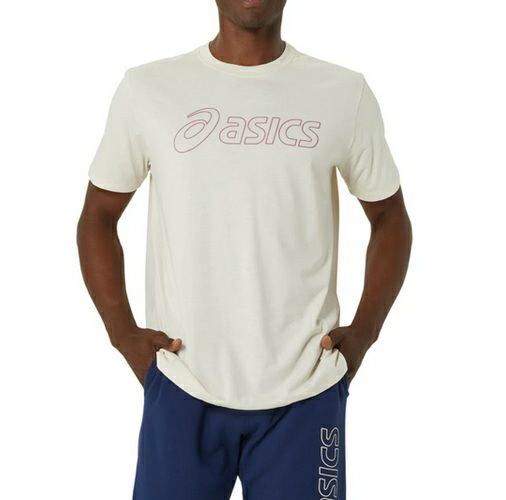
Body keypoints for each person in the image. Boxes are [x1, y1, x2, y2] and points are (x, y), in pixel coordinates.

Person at [77, 1, 412, 498]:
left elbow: (389, 218)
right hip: (184, 384)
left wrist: (364, 333)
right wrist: (122, 334)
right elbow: (98, 218)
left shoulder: (342, 92)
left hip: (305, 393)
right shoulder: (148, 89)